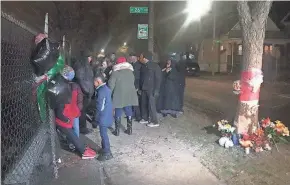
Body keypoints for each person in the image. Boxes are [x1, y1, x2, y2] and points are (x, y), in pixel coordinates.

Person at [55, 66, 96, 159]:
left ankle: (79, 147)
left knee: (72, 131)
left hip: (67, 114)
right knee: (73, 130)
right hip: (66, 115)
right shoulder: (70, 86)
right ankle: (81, 149)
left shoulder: (63, 85)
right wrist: (76, 110)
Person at [108, 56, 138, 136]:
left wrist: (108, 94)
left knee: (118, 110)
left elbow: (111, 85)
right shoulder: (130, 72)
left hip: (119, 94)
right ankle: (129, 130)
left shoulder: (115, 73)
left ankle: (117, 131)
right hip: (129, 93)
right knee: (128, 109)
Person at [93, 74, 114, 161]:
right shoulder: (106, 88)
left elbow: (100, 107)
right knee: (103, 134)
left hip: (103, 116)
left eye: (94, 82)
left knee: (103, 134)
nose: (93, 84)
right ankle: (105, 149)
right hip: (108, 114)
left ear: (98, 81)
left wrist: (96, 119)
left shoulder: (101, 91)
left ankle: (107, 152)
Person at [72, 56, 94, 135]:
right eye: (89, 57)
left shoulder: (86, 66)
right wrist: (87, 91)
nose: (90, 59)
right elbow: (81, 80)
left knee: (82, 111)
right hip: (83, 93)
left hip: (85, 92)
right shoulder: (82, 67)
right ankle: (81, 128)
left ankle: (81, 128)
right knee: (81, 111)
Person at [139, 52, 162, 127]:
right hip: (144, 88)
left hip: (151, 88)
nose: (141, 58)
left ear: (146, 58)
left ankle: (154, 121)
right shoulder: (144, 66)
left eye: (142, 57)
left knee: (151, 105)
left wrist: (157, 90)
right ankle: (145, 118)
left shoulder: (155, 66)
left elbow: (158, 78)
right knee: (144, 104)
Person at [128, 53, 142, 121]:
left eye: (131, 57)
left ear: (135, 58)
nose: (130, 59)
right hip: (132, 85)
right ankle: (134, 114)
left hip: (136, 86)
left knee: (136, 102)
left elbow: (137, 77)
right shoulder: (133, 65)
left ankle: (138, 116)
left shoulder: (138, 65)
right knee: (133, 101)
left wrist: (137, 87)